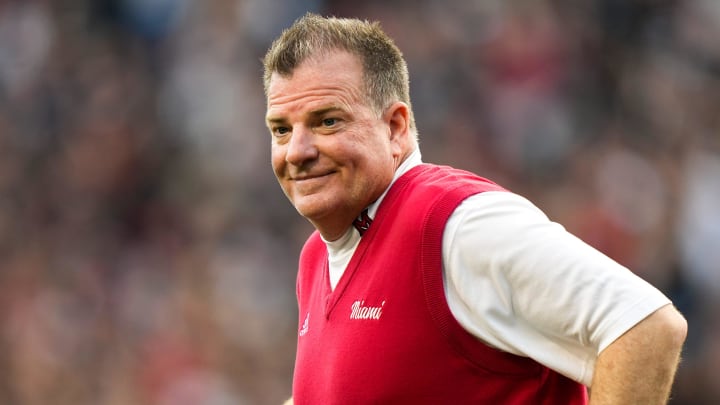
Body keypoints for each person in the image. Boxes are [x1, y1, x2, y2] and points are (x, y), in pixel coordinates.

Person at [263, 13, 687, 404]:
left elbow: (646, 327)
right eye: (281, 130)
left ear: (394, 127)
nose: (297, 151)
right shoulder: (318, 255)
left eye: (327, 121)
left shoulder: (456, 224)